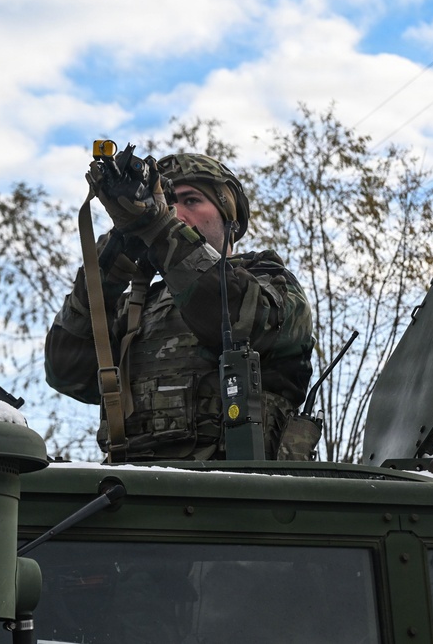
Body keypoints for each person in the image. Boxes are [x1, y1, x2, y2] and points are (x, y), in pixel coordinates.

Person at [44, 151, 315, 461]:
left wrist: (159, 226)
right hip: (131, 491)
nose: (175, 213)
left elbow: (236, 322)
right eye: (168, 204)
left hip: (244, 493)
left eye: (191, 200)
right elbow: (67, 373)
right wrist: (107, 267)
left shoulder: (270, 280)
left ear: (229, 213)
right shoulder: (137, 307)